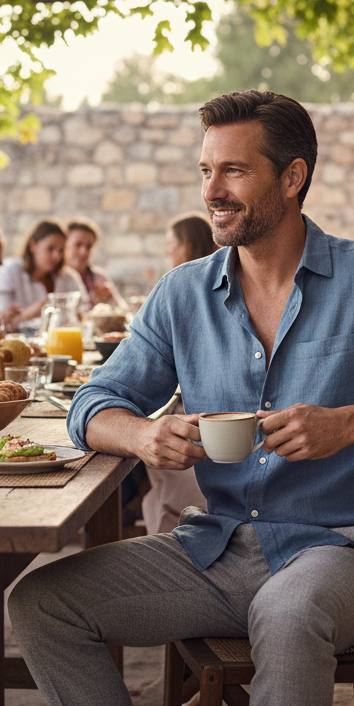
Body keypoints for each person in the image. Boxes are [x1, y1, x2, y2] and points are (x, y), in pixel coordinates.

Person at [8, 90, 354, 706]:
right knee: (40, 603)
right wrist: (140, 436)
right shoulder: (182, 294)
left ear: (292, 178)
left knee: (288, 614)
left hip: (339, 554)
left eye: (234, 171)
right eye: (206, 171)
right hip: (217, 548)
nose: (213, 190)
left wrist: (346, 425)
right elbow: (96, 401)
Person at [141, 213, 218, 535]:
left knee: (159, 457)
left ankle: (166, 523)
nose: (168, 252)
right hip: (187, 416)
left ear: (185, 246)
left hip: (202, 429)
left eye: (171, 245)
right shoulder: (178, 288)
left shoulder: (196, 292)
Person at [0, 220, 86, 326]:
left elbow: (84, 311)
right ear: (33, 246)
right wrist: (29, 314)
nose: (57, 256)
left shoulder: (68, 277)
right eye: (50, 249)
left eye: (61, 251)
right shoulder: (9, 271)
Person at [65, 217, 126, 311]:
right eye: (78, 245)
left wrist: (110, 299)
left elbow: (123, 311)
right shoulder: (58, 279)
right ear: (64, 245)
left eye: (88, 247)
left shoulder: (100, 277)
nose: (84, 252)